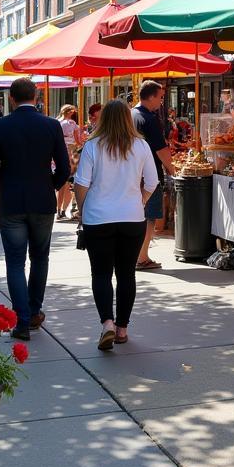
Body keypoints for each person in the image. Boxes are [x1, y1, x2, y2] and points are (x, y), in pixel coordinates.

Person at [0, 78, 71, 340]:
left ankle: (21, 320)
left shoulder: (0, 126)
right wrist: (49, 185)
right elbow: (64, 168)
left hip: (11, 200)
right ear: (36, 96)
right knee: (40, 257)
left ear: (11, 98)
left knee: (15, 262)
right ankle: (33, 311)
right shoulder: (51, 125)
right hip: (42, 200)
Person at [73, 100, 159, 351]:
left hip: (98, 218)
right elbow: (152, 182)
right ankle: (122, 327)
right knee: (126, 273)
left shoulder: (92, 146)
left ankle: (107, 323)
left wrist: (81, 209)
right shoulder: (141, 145)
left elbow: (81, 183)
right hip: (132, 217)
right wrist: (140, 201)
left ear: (103, 120)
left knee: (100, 273)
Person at [131, 81, 174, 270]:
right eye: (160, 97)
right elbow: (160, 149)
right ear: (150, 97)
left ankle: (136, 254)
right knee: (149, 216)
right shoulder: (149, 118)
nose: (162, 101)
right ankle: (142, 257)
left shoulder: (131, 114)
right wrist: (172, 168)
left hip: (131, 172)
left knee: (136, 215)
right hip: (149, 174)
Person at [56, 105, 84, 220]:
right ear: (70, 112)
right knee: (68, 184)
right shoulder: (72, 124)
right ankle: (63, 210)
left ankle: (58, 211)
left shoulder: (57, 122)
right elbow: (78, 141)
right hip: (71, 153)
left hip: (59, 152)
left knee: (60, 185)